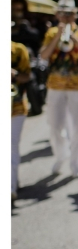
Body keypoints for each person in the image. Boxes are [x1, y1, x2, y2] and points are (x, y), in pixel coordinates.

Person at [39, 0, 78, 177]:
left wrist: (74, 37)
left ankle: (77, 164)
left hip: (77, 86)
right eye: (62, 13)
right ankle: (60, 155)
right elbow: (44, 56)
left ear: (75, 15)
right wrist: (57, 36)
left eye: (69, 14)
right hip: (55, 86)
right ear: (56, 15)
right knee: (54, 125)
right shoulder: (51, 33)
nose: (65, 17)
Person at [11, 31, 31, 202]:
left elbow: (28, 76)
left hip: (16, 106)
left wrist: (14, 74)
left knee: (11, 144)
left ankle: (10, 187)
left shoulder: (18, 50)